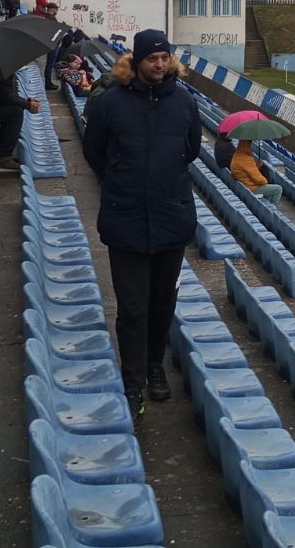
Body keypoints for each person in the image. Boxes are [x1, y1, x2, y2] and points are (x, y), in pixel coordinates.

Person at [82, 29, 201, 415]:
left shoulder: (183, 103)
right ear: (137, 61)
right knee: (133, 308)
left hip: (171, 218)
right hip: (126, 219)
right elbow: (94, 151)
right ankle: (132, 383)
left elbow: (192, 150)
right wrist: (122, 183)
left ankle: (154, 368)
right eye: (153, 59)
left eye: (165, 58)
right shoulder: (111, 103)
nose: (160, 64)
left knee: (163, 303)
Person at [229, 139, 282, 205]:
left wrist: (257, 166)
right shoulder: (247, 160)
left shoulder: (236, 156)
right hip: (252, 188)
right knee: (278, 189)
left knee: (268, 191)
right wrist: (265, 180)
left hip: (244, 186)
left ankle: (268, 207)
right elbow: (260, 180)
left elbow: (246, 172)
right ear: (247, 146)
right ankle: (273, 210)